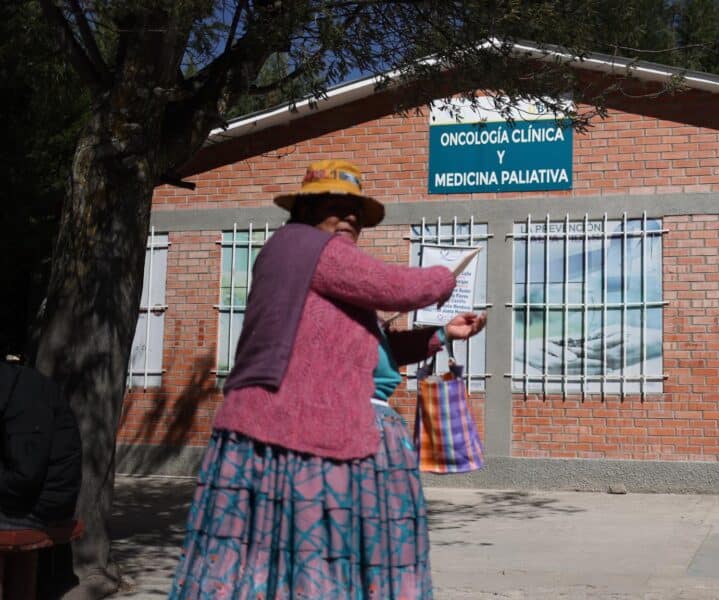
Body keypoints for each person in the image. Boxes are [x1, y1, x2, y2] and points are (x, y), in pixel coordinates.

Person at [169, 159, 486, 599]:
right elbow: (396, 286)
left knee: (334, 563)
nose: (351, 217)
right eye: (336, 205)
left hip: (343, 431)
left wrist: (441, 334)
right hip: (301, 434)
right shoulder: (302, 245)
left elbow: (375, 352)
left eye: (357, 211)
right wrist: (446, 278)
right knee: (313, 560)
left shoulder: (321, 277)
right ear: (305, 209)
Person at [0, 356, 81, 531]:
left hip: (40, 508)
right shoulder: (11, 390)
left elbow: (24, 479)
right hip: (25, 500)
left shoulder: (25, 400)